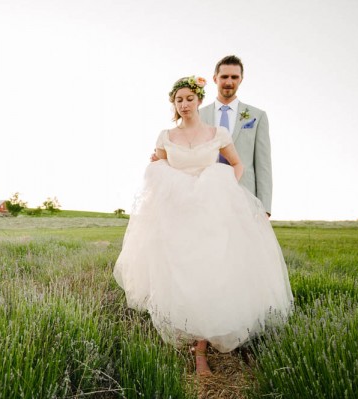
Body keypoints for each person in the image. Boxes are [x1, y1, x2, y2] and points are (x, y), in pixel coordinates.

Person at [113, 75, 293, 376]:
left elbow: (237, 164)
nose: (184, 104)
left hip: (210, 213)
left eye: (189, 98)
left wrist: (223, 191)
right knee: (181, 273)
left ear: (198, 100)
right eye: (178, 100)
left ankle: (202, 347)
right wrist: (159, 166)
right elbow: (158, 167)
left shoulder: (217, 132)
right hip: (178, 214)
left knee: (211, 271)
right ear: (174, 104)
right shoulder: (165, 136)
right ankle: (188, 332)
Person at [199, 55, 273, 215]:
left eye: (234, 77)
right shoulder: (198, 115)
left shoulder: (257, 116)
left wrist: (265, 207)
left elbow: (263, 164)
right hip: (206, 195)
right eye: (224, 76)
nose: (229, 82)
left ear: (241, 79)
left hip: (245, 197)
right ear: (215, 78)